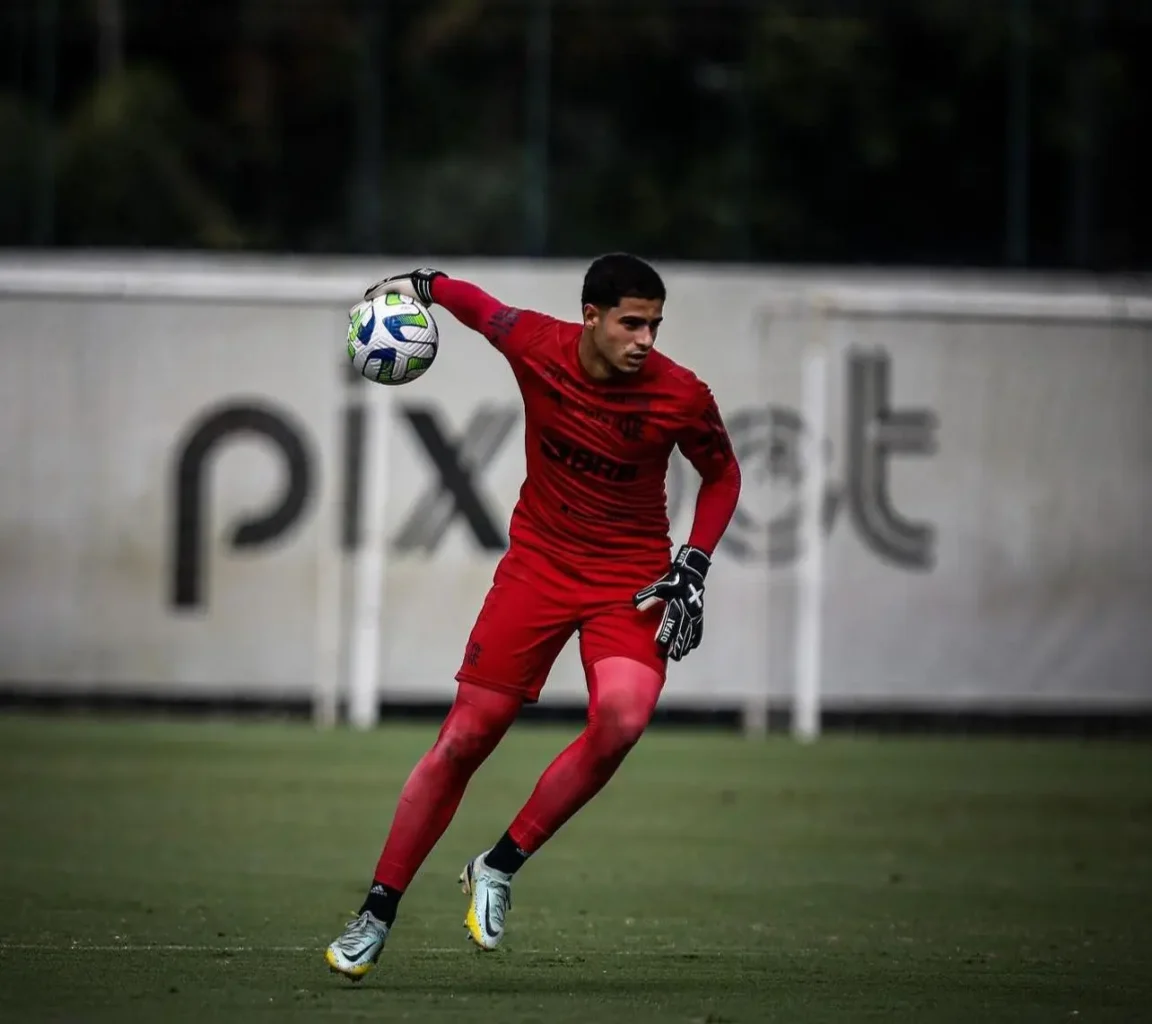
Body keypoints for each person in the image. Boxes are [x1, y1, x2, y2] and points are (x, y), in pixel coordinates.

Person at [325, 253, 742, 980]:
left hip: (629, 579)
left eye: (655, 325)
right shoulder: (537, 346)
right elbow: (477, 306)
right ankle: (376, 914)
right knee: (465, 738)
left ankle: (498, 864)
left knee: (621, 720)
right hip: (539, 566)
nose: (645, 339)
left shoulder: (681, 394)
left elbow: (723, 474)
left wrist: (695, 561)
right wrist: (421, 286)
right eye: (631, 323)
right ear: (592, 318)